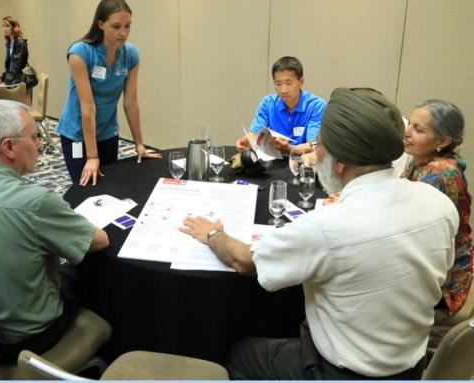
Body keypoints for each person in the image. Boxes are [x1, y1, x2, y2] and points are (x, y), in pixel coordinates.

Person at [180, 88, 459, 380]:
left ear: (339, 162)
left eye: (318, 144)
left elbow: (242, 260)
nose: (316, 151)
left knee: (240, 353)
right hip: (410, 367)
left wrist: (213, 234)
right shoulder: (438, 204)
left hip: (340, 372)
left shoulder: (328, 225)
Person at [0, 100, 109, 363]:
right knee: (85, 270)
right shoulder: (36, 202)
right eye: (35, 136)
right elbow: (98, 241)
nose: (41, 143)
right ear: (8, 147)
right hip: (30, 338)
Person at [57, 0, 161, 186]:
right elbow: (88, 107)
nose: (123, 32)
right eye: (116, 26)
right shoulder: (80, 53)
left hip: (107, 132)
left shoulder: (130, 54)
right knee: (85, 188)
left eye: (127, 26)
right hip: (77, 135)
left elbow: (131, 103)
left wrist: (139, 144)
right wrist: (92, 156)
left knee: (109, 187)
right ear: (101, 24)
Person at [403, 99, 473, 317]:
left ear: (443, 141)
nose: (407, 132)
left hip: (447, 277)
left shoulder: (439, 174)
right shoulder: (422, 159)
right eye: (409, 124)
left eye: (418, 129)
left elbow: (409, 227)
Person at [236, 56, 326, 154]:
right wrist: (247, 141)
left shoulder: (316, 106)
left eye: (289, 83)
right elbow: (254, 133)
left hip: (302, 162)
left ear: (301, 82)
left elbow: (314, 145)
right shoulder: (268, 103)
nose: (283, 90)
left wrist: (290, 148)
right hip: (273, 160)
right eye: (278, 84)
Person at [0, 16, 31, 105]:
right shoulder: (10, 43)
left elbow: (16, 67)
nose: (4, 29)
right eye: (3, 26)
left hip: (19, 82)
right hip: (13, 80)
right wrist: (1, 78)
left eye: (7, 26)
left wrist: (5, 83)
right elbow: (9, 67)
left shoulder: (20, 43)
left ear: (14, 27)